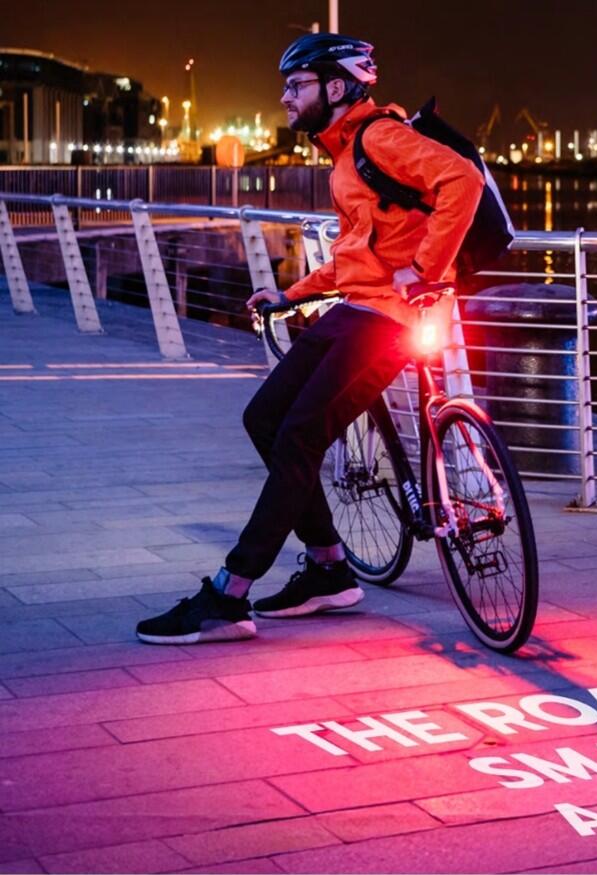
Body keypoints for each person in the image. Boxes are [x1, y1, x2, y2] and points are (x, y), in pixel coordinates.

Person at [136, 34, 485, 644]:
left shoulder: (379, 137)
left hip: (391, 321)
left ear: (334, 86)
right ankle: (328, 569)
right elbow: (358, 252)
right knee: (265, 419)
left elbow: (462, 181)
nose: (285, 96)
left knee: (299, 432)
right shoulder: (346, 157)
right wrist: (292, 293)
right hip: (358, 309)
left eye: (295, 85)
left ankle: (230, 593)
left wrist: (426, 271)